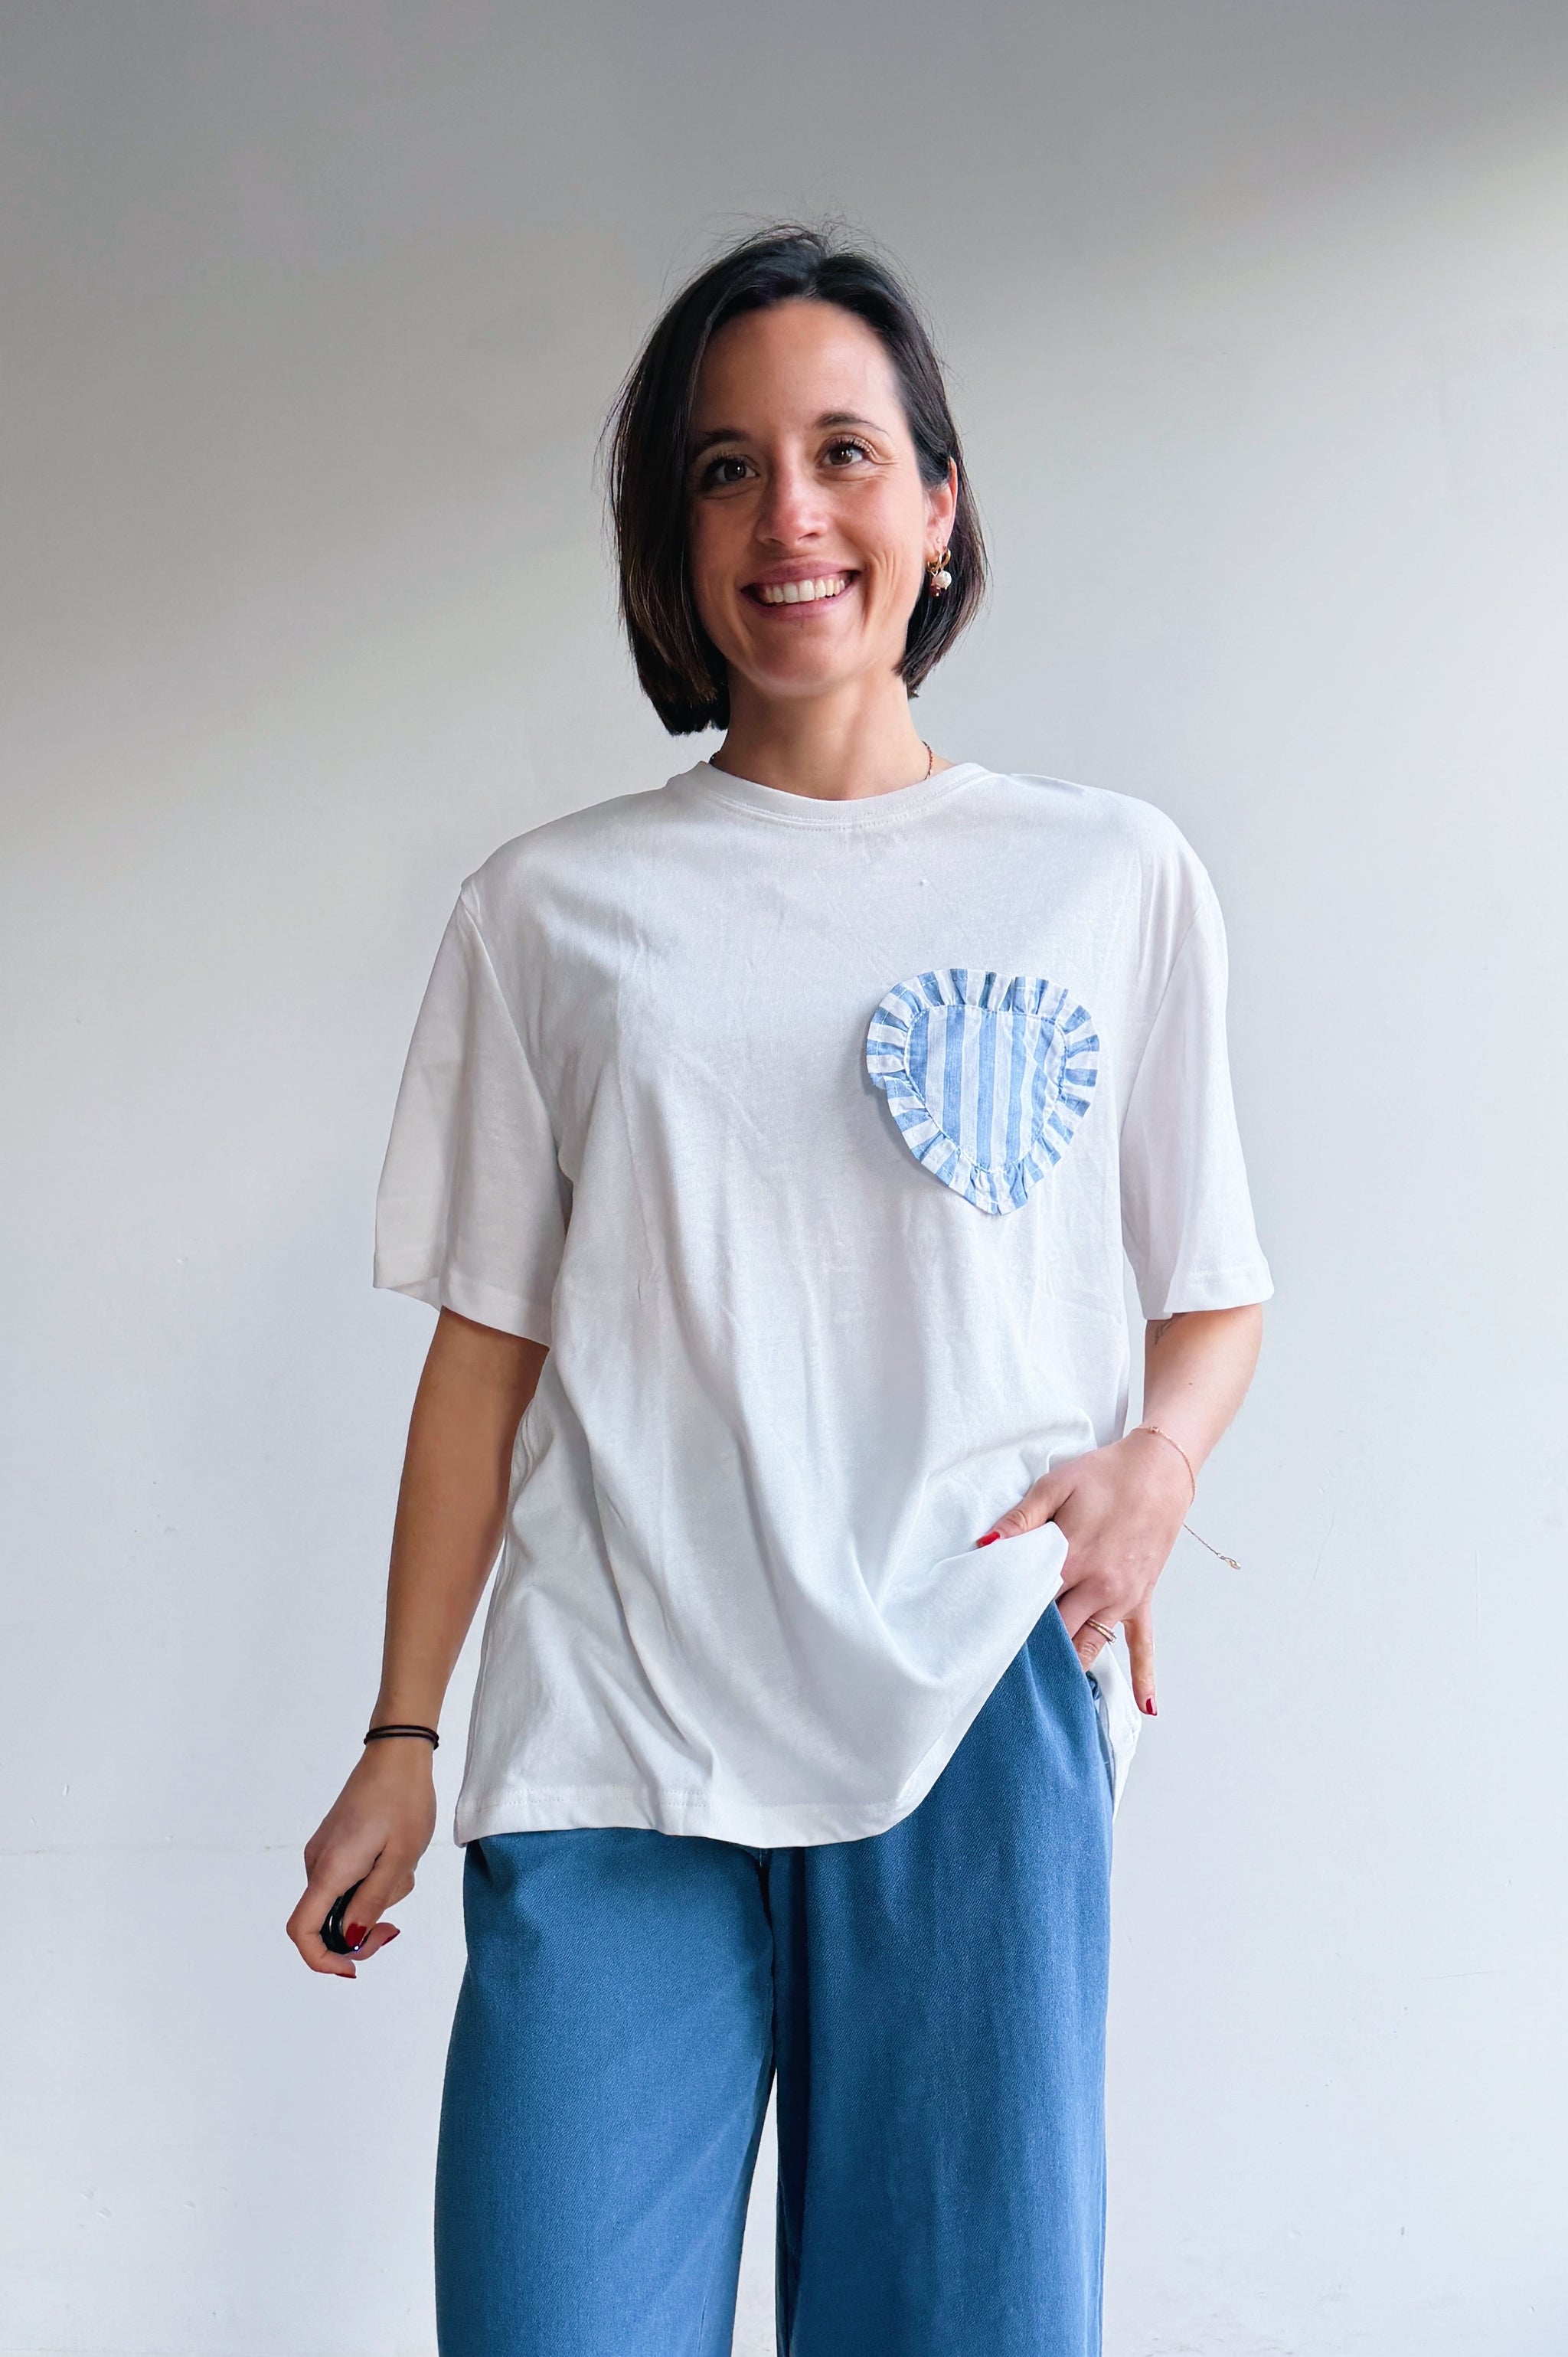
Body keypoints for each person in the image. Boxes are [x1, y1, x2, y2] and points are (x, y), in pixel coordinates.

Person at [287, 222, 1272, 2357]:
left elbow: (1212, 1287)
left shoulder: (1108, 877)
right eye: (723, 469)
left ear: (939, 505)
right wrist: (401, 1735)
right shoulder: (551, 913)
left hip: (974, 1699)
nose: (788, 515)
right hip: (617, 1720)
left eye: (843, 454)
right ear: (672, 540)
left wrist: (1161, 1467)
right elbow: (485, 1354)